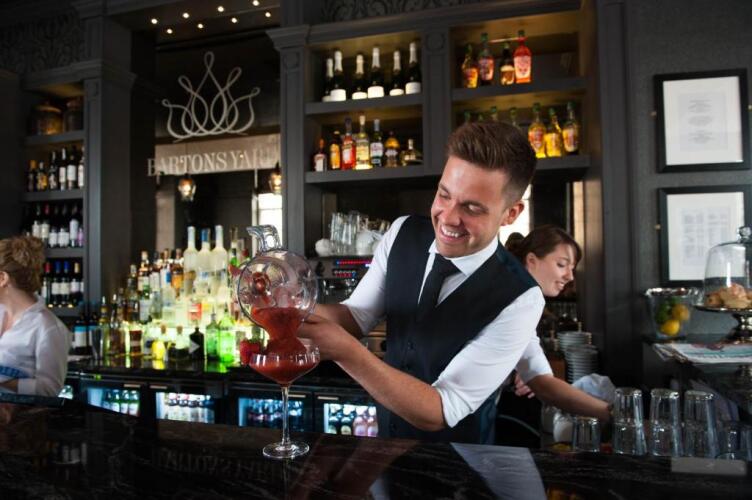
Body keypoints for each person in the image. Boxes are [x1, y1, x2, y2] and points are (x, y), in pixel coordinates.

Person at [299, 121, 543, 444]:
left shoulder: (521, 298)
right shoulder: (403, 233)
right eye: (444, 195)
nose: (448, 218)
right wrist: (288, 306)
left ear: (511, 213)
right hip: (387, 449)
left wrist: (346, 352)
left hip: (460, 465)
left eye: (472, 208)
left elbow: (443, 407)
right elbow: (355, 316)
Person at [506, 226, 610, 421]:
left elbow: (540, 378)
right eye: (562, 265)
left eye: (572, 268)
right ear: (531, 261)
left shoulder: (523, 299)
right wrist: (614, 414)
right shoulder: (522, 300)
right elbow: (543, 384)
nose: (570, 277)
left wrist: (612, 414)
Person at [0, 235, 70, 396]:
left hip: (22, 412)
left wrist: (4, 381)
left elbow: (49, 389)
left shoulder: (48, 327)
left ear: (3, 278)